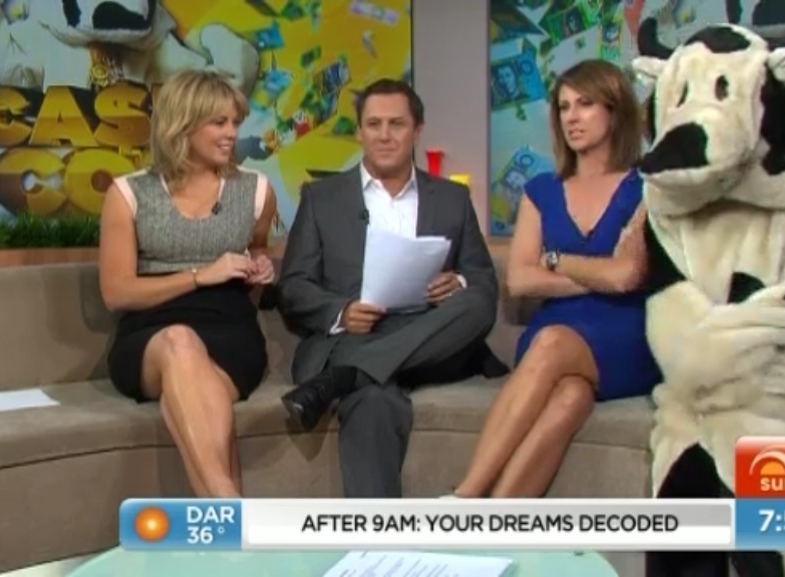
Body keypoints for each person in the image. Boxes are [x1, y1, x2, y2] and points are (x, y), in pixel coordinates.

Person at [276, 78, 504, 498]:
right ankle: (378, 537)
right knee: (373, 401)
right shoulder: (321, 198)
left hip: (433, 340)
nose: (384, 135)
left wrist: (458, 282)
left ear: (417, 131)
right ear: (359, 132)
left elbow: (483, 279)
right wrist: (342, 311)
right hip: (354, 337)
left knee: (477, 300)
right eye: (374, 124)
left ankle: (347, 375)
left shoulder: (452, 198)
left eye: (396, 124)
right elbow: (293, 286)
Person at [449, 59, 661, 498]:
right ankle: (495, 521)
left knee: (550, 344)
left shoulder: (648, 187)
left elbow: (628, 276)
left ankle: (464, 497)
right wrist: (599, 273)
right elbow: (521, 281)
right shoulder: (541, 189)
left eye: (585, 104)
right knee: (569, 398)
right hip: (557, 326)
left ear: (615, 110)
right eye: (563, 107)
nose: (571, 117)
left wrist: (555, 260)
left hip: (623, 334)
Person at [98, 69, 278, 498]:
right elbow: (117, 293)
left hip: (230, 333)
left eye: (234, 122)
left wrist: (260, 265)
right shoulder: (128, 194)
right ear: (183, 124)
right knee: (180, 341)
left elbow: (257, 248)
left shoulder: (256, 190)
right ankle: (232, 506)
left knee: (199, 393)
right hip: (151, 334)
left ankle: (226, 515)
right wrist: (200, 276)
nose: (231, 133)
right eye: (219, 122)